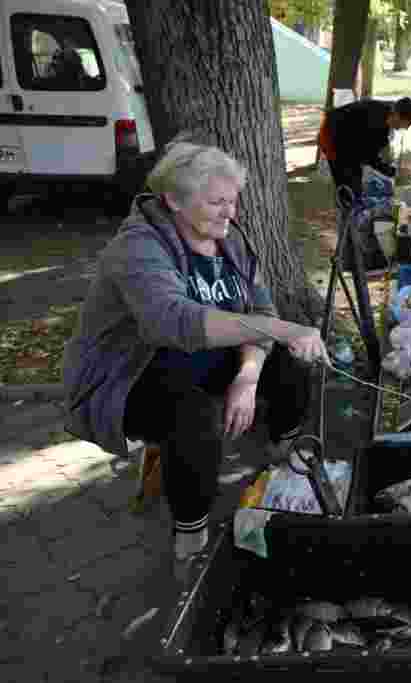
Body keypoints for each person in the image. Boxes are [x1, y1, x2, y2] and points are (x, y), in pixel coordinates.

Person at [62, 140, 331, 562]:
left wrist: (247, 375)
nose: (231, 212)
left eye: (233, 200)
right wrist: (282, 328)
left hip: (200, 360)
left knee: (290, 362)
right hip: (129, 373)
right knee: (194, 417)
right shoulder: (137, 246)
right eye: (216, 202)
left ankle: (282, 458)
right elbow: (173, 321)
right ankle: (190, 534)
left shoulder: (231, 241)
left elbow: (260, 309)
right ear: (174, 200)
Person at [317, 97, 411, 198]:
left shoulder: (391, 111)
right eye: (407, 124)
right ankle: (347, 207)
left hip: (348, 137)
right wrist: (394, 172)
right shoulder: (375, 121)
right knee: (348, 184)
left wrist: (394, 170)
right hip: (332, 136)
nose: (406, 128)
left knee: (355, 180)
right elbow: (370, 157)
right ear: (399, 116)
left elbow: (373, 150)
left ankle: (350, 204)